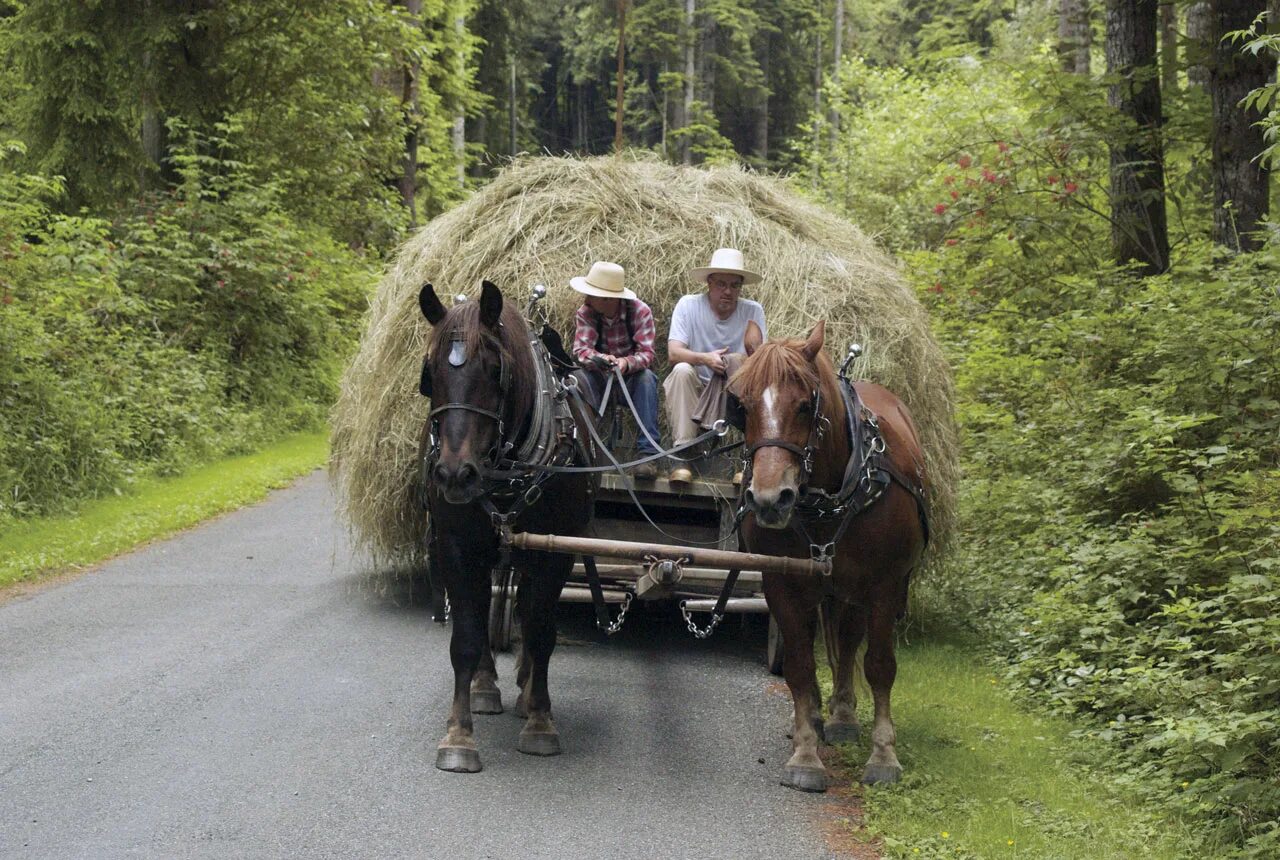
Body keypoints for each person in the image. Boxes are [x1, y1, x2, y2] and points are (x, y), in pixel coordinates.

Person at [665, 248, 767, 486]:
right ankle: (683, 454)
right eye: (721, 284)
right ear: (709, 284)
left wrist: (732, 364)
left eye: (734, 285)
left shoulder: (753, 310)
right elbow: (673, 352)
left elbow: (758, 357)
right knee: (681, 371)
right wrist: (706, 359)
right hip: (697, 385)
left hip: (733, 387)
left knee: (759, 383)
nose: (728, 291)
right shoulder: (688, 305)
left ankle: (745, 458)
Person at [570, 261, 662, 480]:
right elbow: (581, 350)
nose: (587, 299)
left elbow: (647, 354)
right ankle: (581, 445)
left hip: (630, 381)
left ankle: (648, 455)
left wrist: (626, 363)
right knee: (576, 381)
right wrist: (602, 359)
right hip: (598, 379)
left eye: (592, 294)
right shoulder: (586, 312)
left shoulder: (640, 311)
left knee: (647, 380)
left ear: (607, 299)